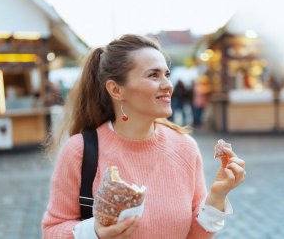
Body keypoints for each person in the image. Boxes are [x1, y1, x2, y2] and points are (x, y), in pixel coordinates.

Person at [42, 35, 246, 239]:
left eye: (167, 74)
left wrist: (217, 196)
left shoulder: (185, 147)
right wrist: (94, 232)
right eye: (153, 75)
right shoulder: (80, 150)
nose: (168, 85)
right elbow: (52, 230)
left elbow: (194, 236)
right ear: (116, 89)